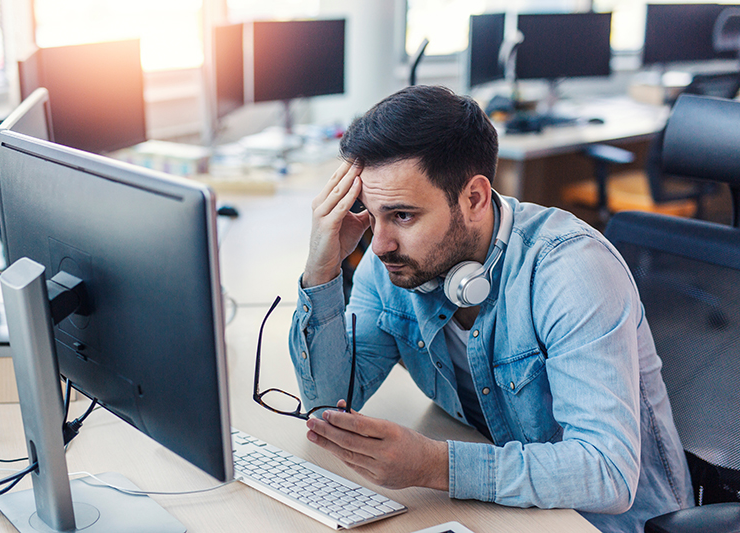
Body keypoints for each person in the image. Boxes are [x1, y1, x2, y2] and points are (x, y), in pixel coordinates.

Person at [287, 85, 693, 532]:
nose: (379, 244)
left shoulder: (571, 270)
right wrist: (322, 268)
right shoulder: (393, 265)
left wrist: (434, 465)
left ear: (475, 199)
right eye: (370, 213)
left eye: (403, 216)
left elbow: (606, 473)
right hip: (499, 511)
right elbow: (328, 407)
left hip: (604, 524)